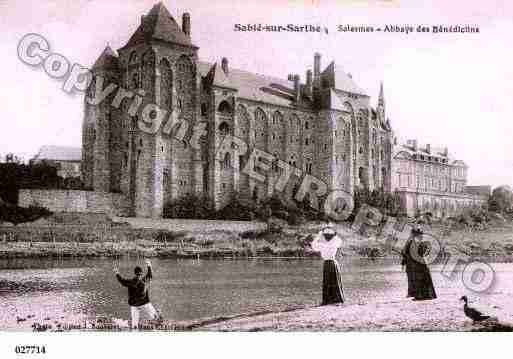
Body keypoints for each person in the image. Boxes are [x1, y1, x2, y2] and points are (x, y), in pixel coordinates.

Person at [114, 259, 161, 329]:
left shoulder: (130, 282)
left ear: (135, 273)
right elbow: (150, 274)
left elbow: (122, 281)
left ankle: (134, 328)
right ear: (141, 273)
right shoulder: (144, 280)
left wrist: (117, 273)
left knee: (134, 325)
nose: (140, 276)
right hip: (144, 303)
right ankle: (159, 326)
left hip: (134, 305)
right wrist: (148, 264)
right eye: (140, 274)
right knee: (156, 317)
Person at [401, 221, 437, 300]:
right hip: (420, 264)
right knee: (422, 279)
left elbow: (404, 252)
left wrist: (403, 263)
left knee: (418, 279)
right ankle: (425, 295)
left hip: (417, 265)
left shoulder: (413, 242)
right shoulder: (420, 242)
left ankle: (420, 295)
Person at [311, 223, 345, 305]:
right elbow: (338, 240)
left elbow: (314, 245)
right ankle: (334, 300)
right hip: (331, 263)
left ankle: (330, 300)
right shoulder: (333, 242)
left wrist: (319, 235)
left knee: (329, 282)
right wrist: (331, 232)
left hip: (330, 263)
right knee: (332, 281)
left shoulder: (325, 244)